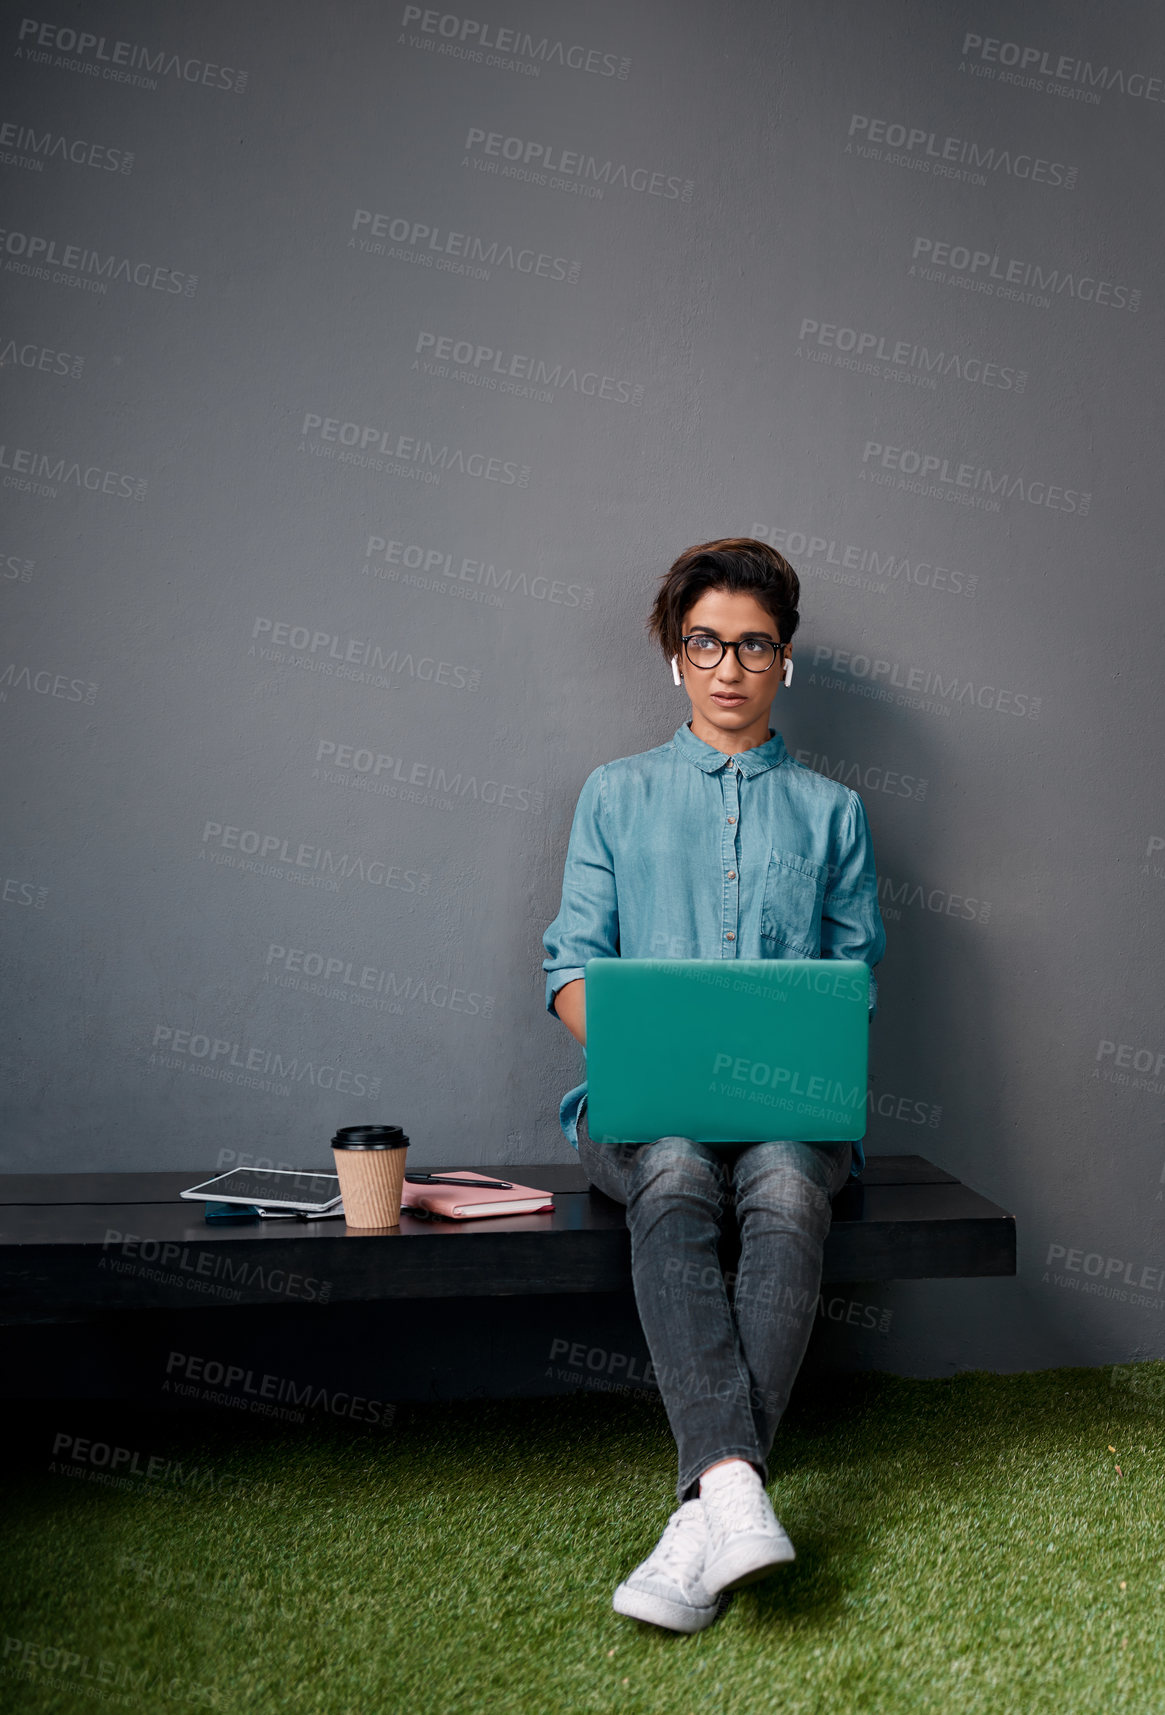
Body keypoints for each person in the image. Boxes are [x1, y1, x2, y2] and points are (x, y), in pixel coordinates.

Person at [541, 537, 886, 1634]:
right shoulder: (613, 793)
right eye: (705, 641)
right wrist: (650, 1051)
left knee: (788, 1187)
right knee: (679, 1163)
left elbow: (853, 981)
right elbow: (566, 967)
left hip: (790, 1109)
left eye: (754, 643)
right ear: (672, 656)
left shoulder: (834, 812)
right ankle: (736, 1490)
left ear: (785, 661)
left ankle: (707, 1508)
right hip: (646, 1112)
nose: (728, 663)